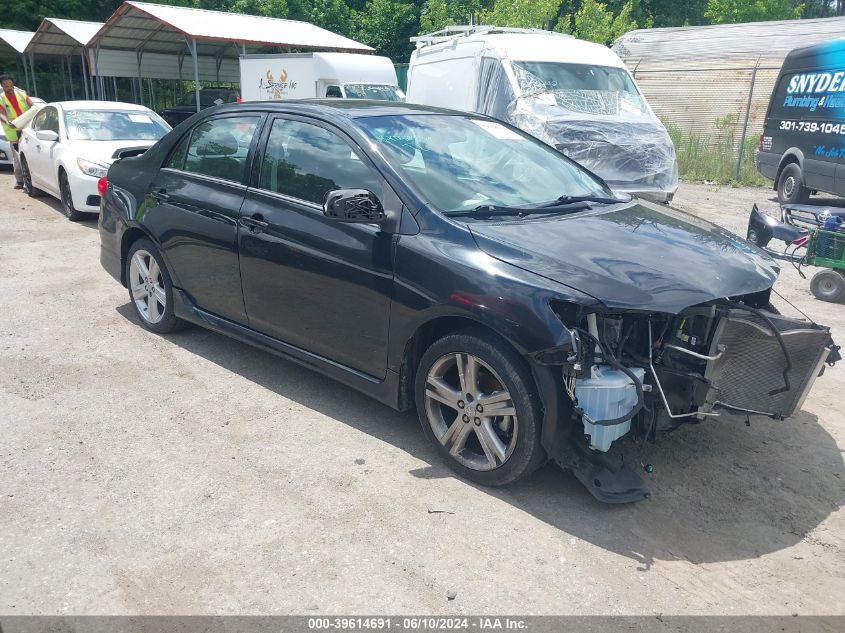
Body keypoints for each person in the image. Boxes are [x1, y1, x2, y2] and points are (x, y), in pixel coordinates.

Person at [0, 74, 33, 190]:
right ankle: (20, 180)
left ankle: (32, 180)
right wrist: (7, 121)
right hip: (13, 132)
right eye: (6, 86)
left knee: (29, 155)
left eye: (10, 85)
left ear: (13, 84)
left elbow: (31, 105)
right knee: (18, 157)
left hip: (27, 129)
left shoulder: (21, 94)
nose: (9, 88)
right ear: (2, 86)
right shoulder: (1, 98)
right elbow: (1, 114)